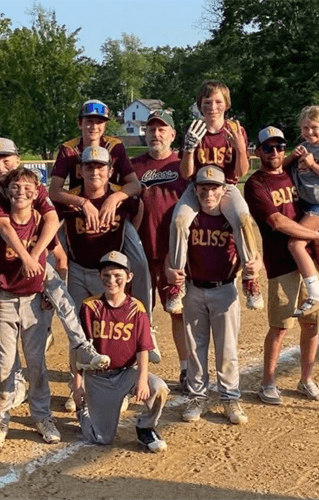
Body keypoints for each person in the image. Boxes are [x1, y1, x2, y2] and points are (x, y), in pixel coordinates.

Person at [0, 138, 109, 400]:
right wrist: (28, 258)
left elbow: (51, 219)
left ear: (18, 160)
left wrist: (34, 256)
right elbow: (3, 229)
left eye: (6, 160)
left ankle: (82, 346)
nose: (0, 165)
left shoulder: (29, 185)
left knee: (60, 295)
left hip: (32, 259)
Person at [49, 99, 160, 362]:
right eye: (88, 120)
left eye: (99, 121)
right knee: (50, 266)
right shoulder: (68, 150)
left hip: (111, 206)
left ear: (106, 124)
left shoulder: (115, 146)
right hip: (76, 208)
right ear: (80, 123)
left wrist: (114, 199)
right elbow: (54, 191)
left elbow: (135, 187)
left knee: (140, 265)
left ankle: (149, 325)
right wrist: (82, 203)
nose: (93, 125)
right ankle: (46, 328)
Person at [0, 168, 62, 450]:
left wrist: (52, 295)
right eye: (16, 187)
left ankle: (43, 417)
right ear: (8, 192)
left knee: (37, 364)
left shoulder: (40, 223)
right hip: (6, 300)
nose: (21, 192)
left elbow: (60, 258)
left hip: (35, 302)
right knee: (4, 366)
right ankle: (0, 419)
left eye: (28, 188)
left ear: (37, 194)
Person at [244, 126, 319, 404]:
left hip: (308, 261)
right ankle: (267, 382)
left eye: (279, 147)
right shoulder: (255, 183)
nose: (274, 153)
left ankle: (306, 379)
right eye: (268, 148)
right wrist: (317, 234)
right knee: (280, 326)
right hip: (281, 263)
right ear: (258, 151)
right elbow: (278, 222)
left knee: (311, 325)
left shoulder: (293, 173)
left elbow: (317, 199)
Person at [169, 166, 262, 425]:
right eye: (204, 188)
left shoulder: (230, 217)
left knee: (227, 349)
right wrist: (170, 270)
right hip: (194, 289)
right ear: (195, 190)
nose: (209, 193)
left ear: (224, 190)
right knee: (195, 350)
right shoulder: (191, 216)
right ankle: (197, 396)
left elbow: (254, 252)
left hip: (225, 289)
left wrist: (256, 266)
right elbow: (172, 252)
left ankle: (230, 397)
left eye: (214, 188)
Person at [55, 145, 140, 411]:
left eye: (100, 166)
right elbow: (51, 220)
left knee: (117, 331)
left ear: (110, 171)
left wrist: (126, 239)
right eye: (89, 166)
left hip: (111, 276)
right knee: (79, 333)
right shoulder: (70, 199)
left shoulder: (121, 197)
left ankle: (120, 385)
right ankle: (77, 386)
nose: (95, 171)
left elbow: (138, 209)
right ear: (80, 170)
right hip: (79, 270)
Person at [169, 81, 264, 311]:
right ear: (200, 105)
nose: (213, 106)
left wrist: (241, 149)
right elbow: (186, 173)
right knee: (179, 220)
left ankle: (250, 278)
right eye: (207, 101)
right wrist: (189, 149)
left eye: (218, 101)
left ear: (227, 104)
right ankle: (177, 284)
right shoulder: (195, 129)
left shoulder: (234, 129)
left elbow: (241, 172)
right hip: (198, 187)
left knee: (242, 217)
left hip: (226, 186)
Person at [73, 251, 169, 453]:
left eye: (118, 276)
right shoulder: (90, 307)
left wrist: (141, 380)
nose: (112, 281)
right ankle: (83, 412)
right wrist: (77, 384)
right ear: (100, 276)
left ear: (129, 277)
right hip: (98, 378)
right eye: (106, 275)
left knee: (158, 388)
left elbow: (144, 348)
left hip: (126, 373)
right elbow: (79, 349)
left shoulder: (136, 308)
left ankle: (145, 428)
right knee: (102, 439)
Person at [130, 110, 191, 390]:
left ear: (172, 135)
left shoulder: (183, 165)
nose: (156, 134)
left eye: (162, 129)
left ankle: (187, 368)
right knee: (135, 313)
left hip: (173, 253)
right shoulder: (133, 167)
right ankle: (130, 372)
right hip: (139, 251)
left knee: (178, 312)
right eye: (151, 129)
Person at [282, 105, 319, 316]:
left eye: (314, 127)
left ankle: (316, 293)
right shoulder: (303, 146)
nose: (309, 132)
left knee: (295, 242)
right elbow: (283, 168)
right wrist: (292, 157)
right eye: (305, 128)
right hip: (306, 206)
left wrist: (313, 165)